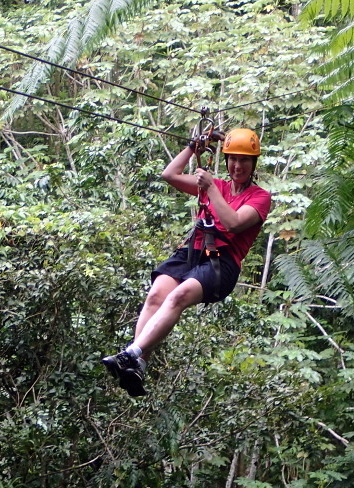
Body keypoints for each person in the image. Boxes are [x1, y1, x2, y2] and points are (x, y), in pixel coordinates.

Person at [101, 128, 272, 397]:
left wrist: (211, 188)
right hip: (193, 252)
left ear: (254, 164)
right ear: (226, 160)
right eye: (233, 159)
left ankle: (132, 353)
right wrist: (194, 147)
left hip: (221, 262)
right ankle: (138, 363)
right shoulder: (218, 186)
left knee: (178, 296)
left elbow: (234, 223)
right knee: (156, 294)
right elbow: (169, 174)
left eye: (245, 160)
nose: (237, 166)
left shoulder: (260, 197)